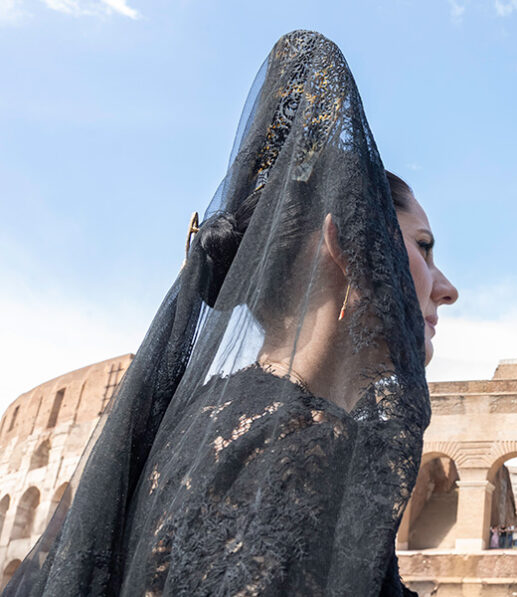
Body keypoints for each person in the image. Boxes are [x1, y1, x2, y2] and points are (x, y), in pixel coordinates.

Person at [2, 30, 458, 597]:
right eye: (424, 247)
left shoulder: (201, 430)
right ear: (345, 246)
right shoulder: (303, 447)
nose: (447, 289)